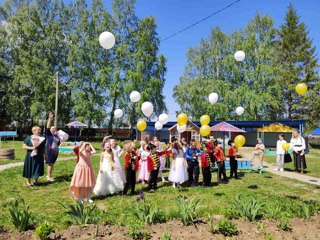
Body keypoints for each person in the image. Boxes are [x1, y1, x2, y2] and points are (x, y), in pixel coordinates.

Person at [46, 112, 60, 182]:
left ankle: (49, 175)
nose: (53, 129)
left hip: (55, 152)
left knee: (52, 163)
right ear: (50, 130)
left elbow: (58, 143)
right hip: (50, 151)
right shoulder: (49, 135)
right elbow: (48, 126)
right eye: (52, 129)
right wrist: (50, 119)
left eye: (54, 129)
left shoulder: (56, 136)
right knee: (50, 163)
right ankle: (48, 177)